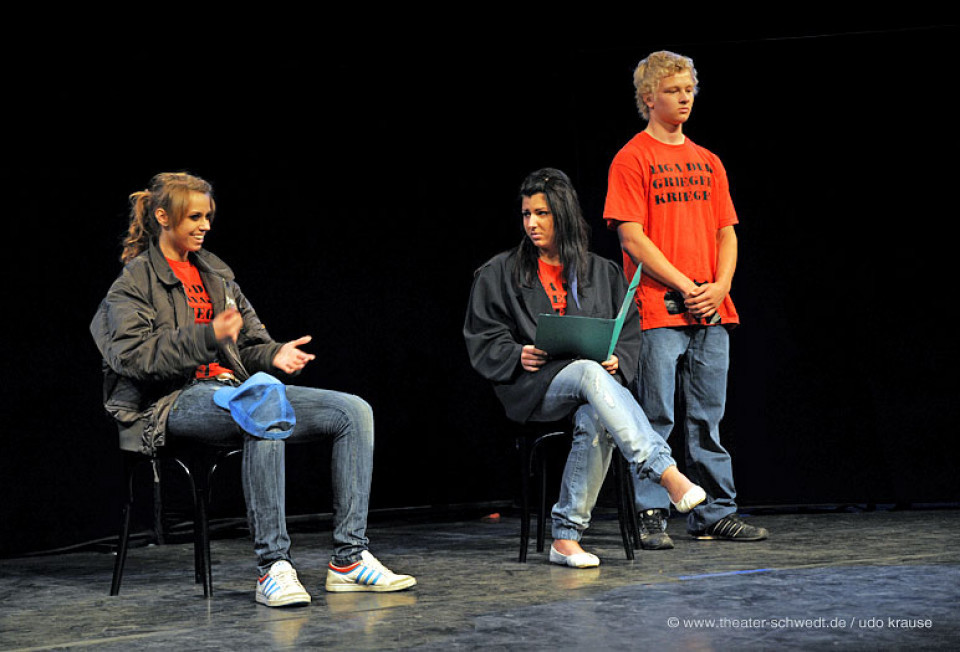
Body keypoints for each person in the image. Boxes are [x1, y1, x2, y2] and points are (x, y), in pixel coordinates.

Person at [90, 172, 416, 607]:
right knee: (264, 400)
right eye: (194, 217)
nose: (205, 225)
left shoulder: (217, 274)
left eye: (208, 216)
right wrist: (208, 335)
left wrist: (275, 354)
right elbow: (134, 357)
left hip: (235, 390)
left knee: (352, 411)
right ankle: (272, 567)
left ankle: (349, 558)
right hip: (170, 402)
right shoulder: (134, 282)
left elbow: (251, 344)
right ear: (163, 217)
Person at [464, 168, 705, 568]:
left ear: (564, 214)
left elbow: (627, 329)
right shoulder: (500, 272)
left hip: (593, 389)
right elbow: (482, 334)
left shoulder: (601, 272)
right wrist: (516, 353)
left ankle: (566, 537)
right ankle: (663, 470)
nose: (532, 223)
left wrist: (618, 358)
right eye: (526, 214)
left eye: (542, 213)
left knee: (597, 412)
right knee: (591, 374)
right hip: (534, 386)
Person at [604, 51, 769, 548]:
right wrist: (683, 284)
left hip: (711, 309)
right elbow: (632, 237)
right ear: (648, 97)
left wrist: (719, 287)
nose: (684, 98)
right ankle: (652, 512)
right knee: (656, 417)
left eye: (689, 89)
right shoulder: (632, 157)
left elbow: (728, 233)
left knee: (707, 417)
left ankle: (715, 512)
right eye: (674, 90)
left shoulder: (708, 160)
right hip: (656, 309)